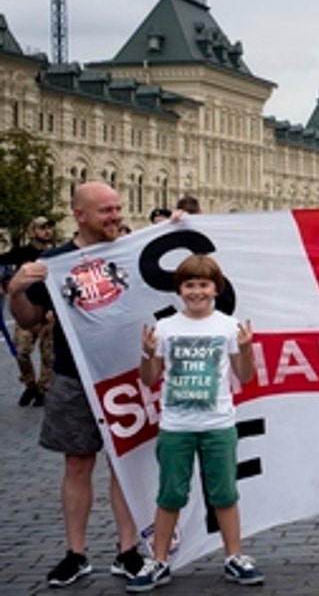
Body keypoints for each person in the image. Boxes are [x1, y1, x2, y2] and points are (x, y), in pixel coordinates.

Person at [6, 182, 145, 586]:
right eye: (107, 210)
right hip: (74, 374)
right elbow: (30, 318)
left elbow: (184, 264)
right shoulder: (54, 262)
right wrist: (15, 292)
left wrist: (177, 225)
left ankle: (128, 550)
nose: (116, 216)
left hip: (125, 373)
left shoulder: (130, 251)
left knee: (125, 463)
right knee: (77, 462)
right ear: (80, 215)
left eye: (118, 208)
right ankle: (76, 553)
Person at [127, 254, 262, 591]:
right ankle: (158, 561)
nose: (197, 291)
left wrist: (246, 350)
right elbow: (149, 379)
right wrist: (146, 354)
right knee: (170, 494)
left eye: (203, 284)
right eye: (189, 285)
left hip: (218, 423)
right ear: (179, 289)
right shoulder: (165, 327)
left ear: (216, 289)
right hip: (176, 425)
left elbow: (244, 376)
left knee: (224, 493)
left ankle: (234, 556)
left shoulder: (228, 326)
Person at [0, 215, 56, 406]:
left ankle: (43, 390)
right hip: (26, 312)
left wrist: (53, 309)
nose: (47, 231)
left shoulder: (56, 255)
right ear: (33, 231)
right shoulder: (22, 252)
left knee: (48, 356)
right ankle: (30, 384)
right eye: (42, 228)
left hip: (48, 313)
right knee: (21, 352)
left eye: (49, 227)